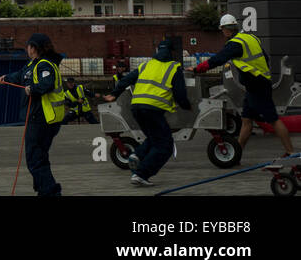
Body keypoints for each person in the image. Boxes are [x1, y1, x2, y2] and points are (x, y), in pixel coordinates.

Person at [195, 14, 294, 156]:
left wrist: (197, 69)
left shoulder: (235, 44)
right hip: (257, 83)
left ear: (226, 30)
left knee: (273, 119)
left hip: (257, 85)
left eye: (222, 30)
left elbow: (217, 59)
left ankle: (291, 152)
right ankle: (236, 154)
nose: (222, 33)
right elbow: (265, 58)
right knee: (246, 119)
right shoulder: (250, 38)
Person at [105, 39, 190, 186]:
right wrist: (187, 107)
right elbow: (180, 94)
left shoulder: (146, 65)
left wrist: (114, 94)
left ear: (157, 51)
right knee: (165, 145)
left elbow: (126, 79)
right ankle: (141, 174)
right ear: (173, 52)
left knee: (154, 138)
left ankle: (137, 155)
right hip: (153, 109)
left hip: (137, 107)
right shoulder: (174, 67)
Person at [3, 33, 67, 196]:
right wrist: (6, 78)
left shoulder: (44, 65)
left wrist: (33, 89)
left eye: (28, 46)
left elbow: (46, 84)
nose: (27, 49)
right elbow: (21, 76)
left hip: (41, 118)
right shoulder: (33, 64)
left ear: (34, 48)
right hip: (41, 118)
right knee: (40, 157)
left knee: (34, 159)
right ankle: (43, 190)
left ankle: (51, 192)